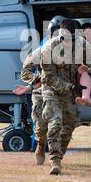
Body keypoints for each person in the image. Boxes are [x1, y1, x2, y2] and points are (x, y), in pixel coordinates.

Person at [40, 19, 91, 175]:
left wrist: (86, 72)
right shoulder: (50, 48)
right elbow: (49, 77)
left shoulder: (84, 47)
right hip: (52, 89)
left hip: (72, 92)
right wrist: (69, 87)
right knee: (55, 122)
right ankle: (55, 160)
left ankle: (59, 154)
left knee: (69, 126)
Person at [13, 22, 60, 164]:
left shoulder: (70, 54)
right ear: (50, 36)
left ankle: (55, 158)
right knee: (40, 126)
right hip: (40, 94)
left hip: (59, 95)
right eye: (56, 35)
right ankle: (39, 145)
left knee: (57, 125)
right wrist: (33, 82)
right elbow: (25, 71)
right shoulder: (40, 52)